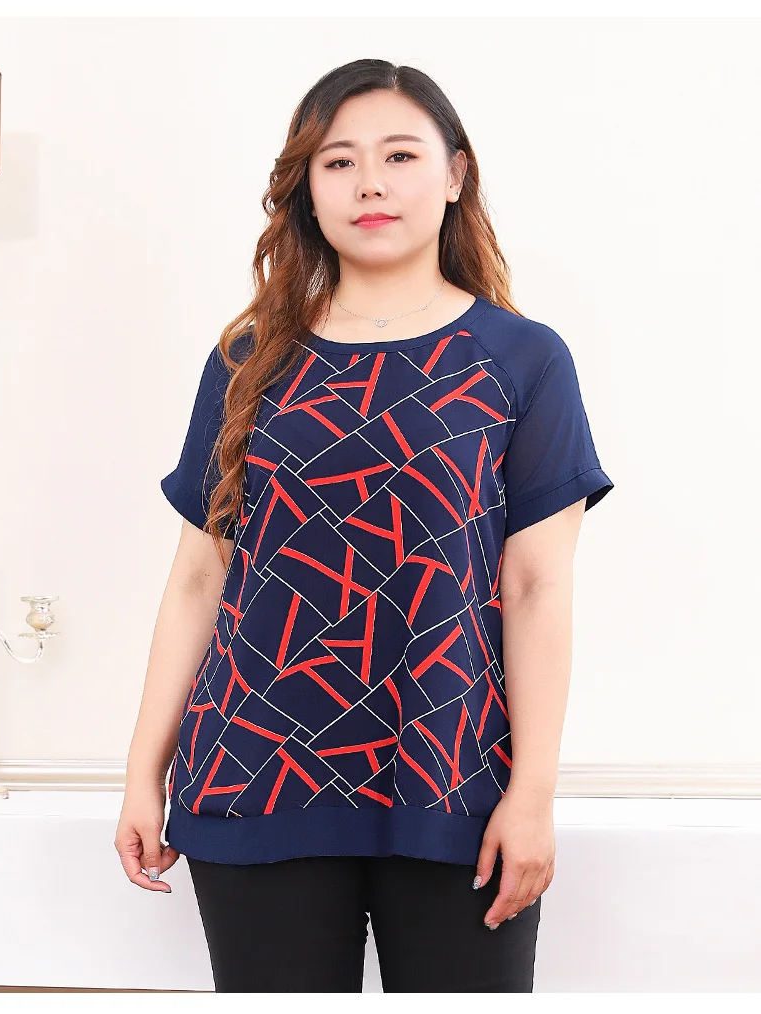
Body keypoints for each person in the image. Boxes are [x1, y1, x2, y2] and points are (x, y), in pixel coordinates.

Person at [115, 58, 614, 993]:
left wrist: (534, 794)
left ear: (455, 174)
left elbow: (537, 587)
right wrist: (145, 770)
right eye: (339, 162)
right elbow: (198, 578)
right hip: (252, 772)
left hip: (455, 778)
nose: (370, 183)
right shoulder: (248, 359)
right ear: (307, 188)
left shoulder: (522, 359)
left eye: (399, 155)